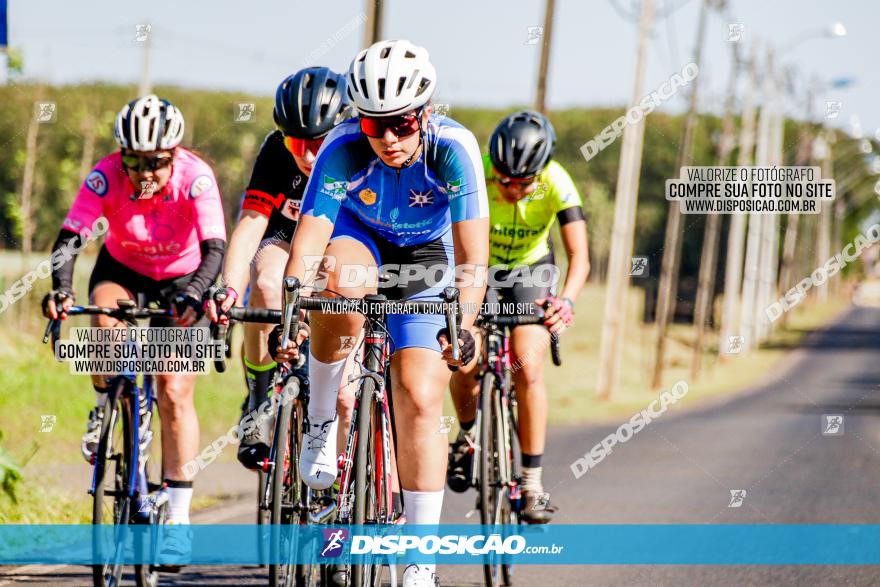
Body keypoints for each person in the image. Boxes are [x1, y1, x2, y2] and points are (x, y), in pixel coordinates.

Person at [275, 39, 489, 587]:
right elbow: (309, 239)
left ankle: (420, 558)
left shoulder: (454, 148)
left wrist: (463, 325)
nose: (389, 139)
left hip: (425, 258)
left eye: (400, 124)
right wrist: (291, 307)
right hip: (358, 237)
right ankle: (322, 419)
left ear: (424, 113)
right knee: (341, 284)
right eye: (375, 126)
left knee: (420, 394)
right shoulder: (343, 149)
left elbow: (471, 255)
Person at [42, 94, 226, 559]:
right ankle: (109, 401)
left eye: (157, 163)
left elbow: (215, 248)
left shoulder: (196, 178)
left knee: (173, 388)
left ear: (175, 155)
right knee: (106, 328)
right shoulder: (105, 176)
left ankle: (178, 519)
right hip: (123, 269)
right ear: (120, 155)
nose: (145, 173)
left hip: (184, 277)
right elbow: (70, 238)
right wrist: (61, 288)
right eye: (134, 161)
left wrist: (195, 293)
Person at [204, 67, 353, 470]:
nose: (305, 155)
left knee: (345, 395)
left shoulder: (359, 150)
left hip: (343, 248)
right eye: (295, 141)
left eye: (317, 143)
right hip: (285, 239)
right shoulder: (275, 150)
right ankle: (259, 398)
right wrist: (228, 289)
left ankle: (342, 484)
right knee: (267, 283)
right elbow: (252, 224)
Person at [447, 110, 590, 523]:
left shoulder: (558, 181)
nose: (511, 188)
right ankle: (469, 435)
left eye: (522, 183)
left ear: (541, 172)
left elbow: (580, 256)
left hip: (532, 271)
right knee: (463, 350)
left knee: (528, 367)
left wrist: (566, 301)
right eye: (504, 179)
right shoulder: (476, 171)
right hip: (481, 268)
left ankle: (531, 484)